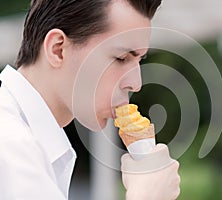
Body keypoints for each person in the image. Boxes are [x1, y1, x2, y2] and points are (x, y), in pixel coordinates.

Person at [0, 0, 180, 199]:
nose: (136, 83)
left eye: (139, 60)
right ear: (58, 49)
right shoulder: (12, 148)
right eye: (121, 58)